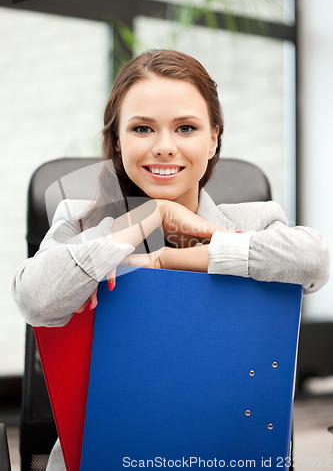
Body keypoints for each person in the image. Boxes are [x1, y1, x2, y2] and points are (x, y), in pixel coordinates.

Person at [12, 49, 329, 470]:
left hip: (224, 453)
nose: (164, 147)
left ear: (213, 138)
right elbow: (35, 298)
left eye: (185, 127)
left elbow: (315, 261)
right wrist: (148, 217)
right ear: (119, 140)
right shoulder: (79, 218)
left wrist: (186, 251)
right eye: (142, 128)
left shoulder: (256, 219)